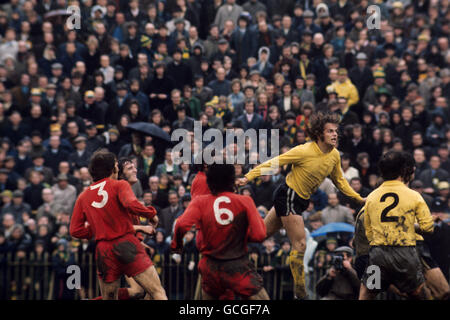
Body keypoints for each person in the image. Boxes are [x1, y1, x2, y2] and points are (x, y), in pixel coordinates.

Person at [239, 112, 364, 299]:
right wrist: (248, 177)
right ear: (320, 134)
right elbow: (276, 162)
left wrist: (358, 198)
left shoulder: (335, 155)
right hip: (288, 195)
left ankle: (230, 244)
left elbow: (340, 181)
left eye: (336, 131)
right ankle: (301, 291)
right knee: (300, 243)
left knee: (260, 235)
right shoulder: (304, 150)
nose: (335, 135)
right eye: (330, 131)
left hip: (300, 201)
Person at [69, 150, 167, 300]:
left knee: (114, 296)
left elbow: (75, 230)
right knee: (156, 292)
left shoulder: (83, 195)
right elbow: (130, 204)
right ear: (113, 169)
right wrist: (151, 213)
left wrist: (95, 229)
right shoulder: (119, 185)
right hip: (126, 244)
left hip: (103, 250)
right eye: (116, 165)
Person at [171, 162, 269, 300]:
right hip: (236, 265)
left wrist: (177, 246)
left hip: (210, 266)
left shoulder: (199, 201)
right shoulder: (245, 201)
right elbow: (259, 235)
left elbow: (180, 225)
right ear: (232, 180)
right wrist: (240, 236)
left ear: (209, 181)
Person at [359, 150, 434, 300]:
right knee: (418, 293)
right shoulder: (413, 195)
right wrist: (408, 227)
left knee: (368, 293)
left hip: (378, 254)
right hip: (405, 254)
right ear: (403, 170)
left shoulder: (372, 196)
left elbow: (368, 231)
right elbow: (428, 228)